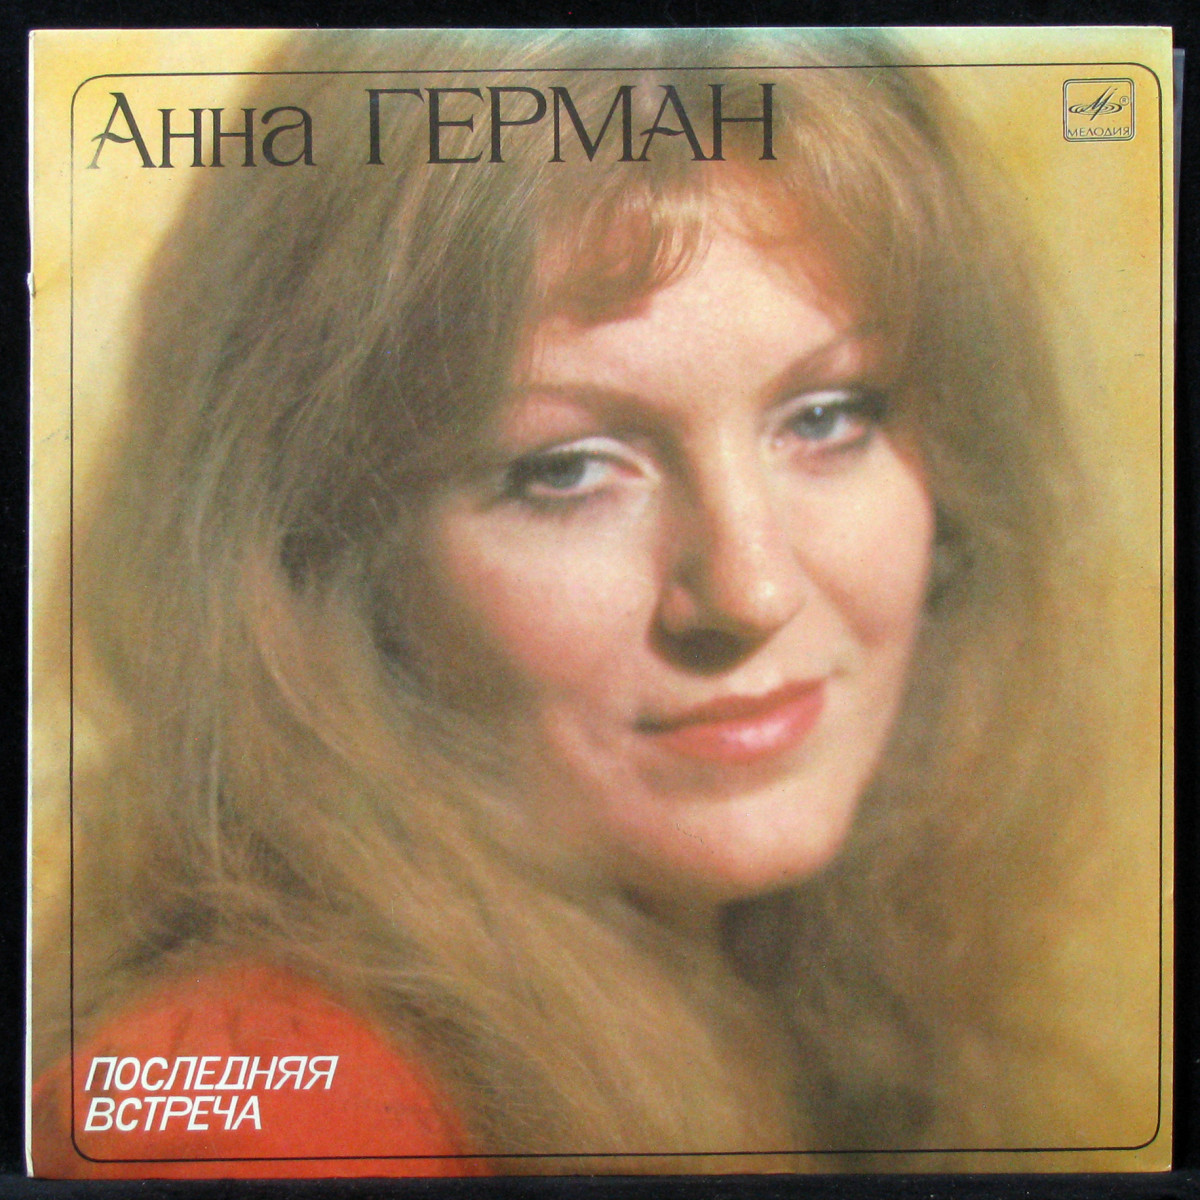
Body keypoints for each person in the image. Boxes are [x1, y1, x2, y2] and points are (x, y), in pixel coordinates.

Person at [32, 28, 1109, 1177]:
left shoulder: (814, 994)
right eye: (567, 470)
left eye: (828, 417)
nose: (750, 589)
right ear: (326, 557)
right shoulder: (267, 1113)